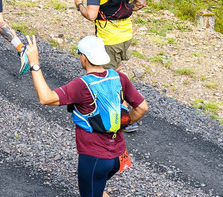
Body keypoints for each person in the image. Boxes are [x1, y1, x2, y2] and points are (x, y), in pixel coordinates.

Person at [25, 34, 148, 197]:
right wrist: (121, 125)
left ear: (84, 57)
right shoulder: (119, 78)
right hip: (117, 155)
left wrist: (34, 64)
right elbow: (142, 108)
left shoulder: (81, 86)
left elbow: (46, 98)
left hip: (95, 159)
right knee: (97, 191)